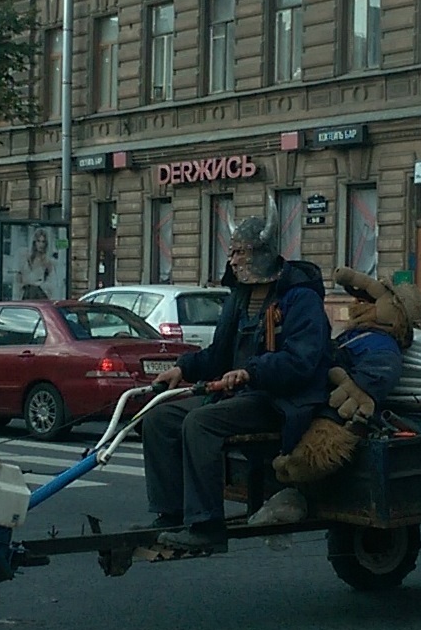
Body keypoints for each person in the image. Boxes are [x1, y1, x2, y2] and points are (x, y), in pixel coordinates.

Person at [140, 207, 332, 553]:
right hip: (239, 397)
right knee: (159, 418)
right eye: (231, 251)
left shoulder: (300, 298)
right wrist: (183, 368)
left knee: (200, 423)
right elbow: (218, 355)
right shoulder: (239, 296)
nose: (232, 259)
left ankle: (206, 525)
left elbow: (302, 362)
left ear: (262, 253)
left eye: (239, 252)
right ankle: (171, 514)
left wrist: (251, 371)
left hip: (279, 402)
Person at [14, 228, 58, 300]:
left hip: (39, 294)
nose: (41, 244)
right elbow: (18, 277)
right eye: (38, 241)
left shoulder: (48, 262)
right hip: (25, 293)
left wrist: (40, 285)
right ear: (34, 242)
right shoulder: (25, 257)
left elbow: (52, 284)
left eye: (43, 242)